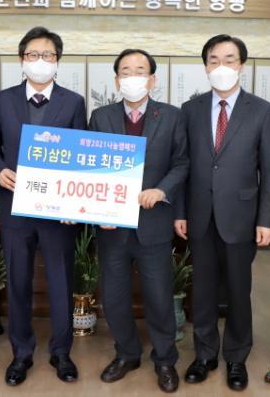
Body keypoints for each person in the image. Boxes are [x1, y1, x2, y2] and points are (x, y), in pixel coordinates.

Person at [0, 26, 87, 386]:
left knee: (60, 282)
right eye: (33, 55)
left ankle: (62, 352)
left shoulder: (73, 102)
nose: (40, 61)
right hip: (15, 206)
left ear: (57, 61)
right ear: (21, 59)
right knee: (18, 282)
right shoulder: (2, 99)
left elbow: (81, 154)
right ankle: (21, 353)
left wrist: (75, 203)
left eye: (48, 55)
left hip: (58, 210)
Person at [175, 34, 270, 392]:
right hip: (199, 215)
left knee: (238, 290)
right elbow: (182, 165)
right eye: (214, 60)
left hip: (242, 217)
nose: (222, 67)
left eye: (229, 60)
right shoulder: (190, 109)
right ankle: (204, 354)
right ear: (206, 66)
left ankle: (236, 356)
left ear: (242, 66)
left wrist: (266, 220)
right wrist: (179, 212)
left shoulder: (262, 111)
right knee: (202, 291)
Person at [89, 49, 189, 393]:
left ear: (152, 79)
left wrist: (161, 190)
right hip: (111, 227)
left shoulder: (172, 116)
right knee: (114, 297)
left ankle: (165, 359)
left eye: (140, 71)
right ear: (117, 80)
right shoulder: (100, 116)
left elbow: (182, 163)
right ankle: (127, 353)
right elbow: (91, 167)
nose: (133, 77)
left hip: (153, 224)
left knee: (159, 297)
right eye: (126, 71)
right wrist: (98, 210)